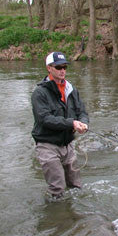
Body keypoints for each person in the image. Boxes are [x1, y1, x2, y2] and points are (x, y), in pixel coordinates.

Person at [31, 51, 89, 199]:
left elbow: (81, 111)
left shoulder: (71, 89)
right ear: (49, 68)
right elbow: (45, 119)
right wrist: (72, 122)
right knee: (57, 189)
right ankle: (56, 218)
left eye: (65, 67)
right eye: (58, 67)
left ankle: (75, 215)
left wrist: (83, 124)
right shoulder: (39, 93)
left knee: (76, 185)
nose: (62, 70)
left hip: (68, 144)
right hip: (47, 145)